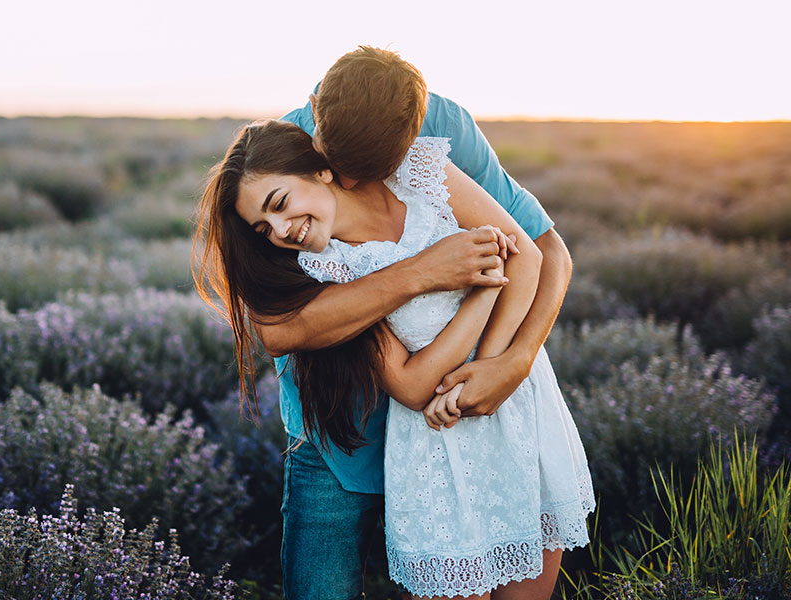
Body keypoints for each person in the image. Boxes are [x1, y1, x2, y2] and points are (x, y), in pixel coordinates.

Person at [194, 47, 584, 599]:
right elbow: (278, 331)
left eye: (370, 167)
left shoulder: (434, 137)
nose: (352, 181)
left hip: (492, 407)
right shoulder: (280, 175)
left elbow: (540, 250)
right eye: (266, 224)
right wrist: (431, 274)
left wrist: (506, 364)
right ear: (316, 126)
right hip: (344, 427)